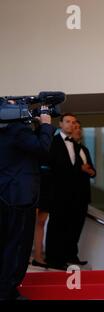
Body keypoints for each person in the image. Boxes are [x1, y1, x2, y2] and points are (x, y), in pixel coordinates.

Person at [0, 103, 54, 300]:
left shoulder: (6, 131)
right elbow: (42, 149)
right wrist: (46, 124)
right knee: (18, 247)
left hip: (5, 195)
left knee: (7, 245)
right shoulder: (17, 130)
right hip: (19, 198)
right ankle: (7, 293)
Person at [45, 113, 86, 269]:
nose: (70, 124)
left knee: (67, 227)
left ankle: (61, 259)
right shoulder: (53, 142)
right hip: (57, 192)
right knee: (56, 225)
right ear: (60, 124)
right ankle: (53, 259)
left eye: (73, 122)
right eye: (67, 121)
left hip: (73, 195)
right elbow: (51, 167)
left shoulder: (76, 145)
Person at [72, 120, 96, 265]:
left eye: (79, 128)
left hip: (83, 194)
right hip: (70, 194)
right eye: (75, 128)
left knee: (77, 226)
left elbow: (93, 171)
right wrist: (83, 170)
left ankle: (73, 255)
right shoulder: (65, 148)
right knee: (68, 226)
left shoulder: (84, 149)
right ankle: (65, 255)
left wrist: (89, 171)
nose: (78, 130)